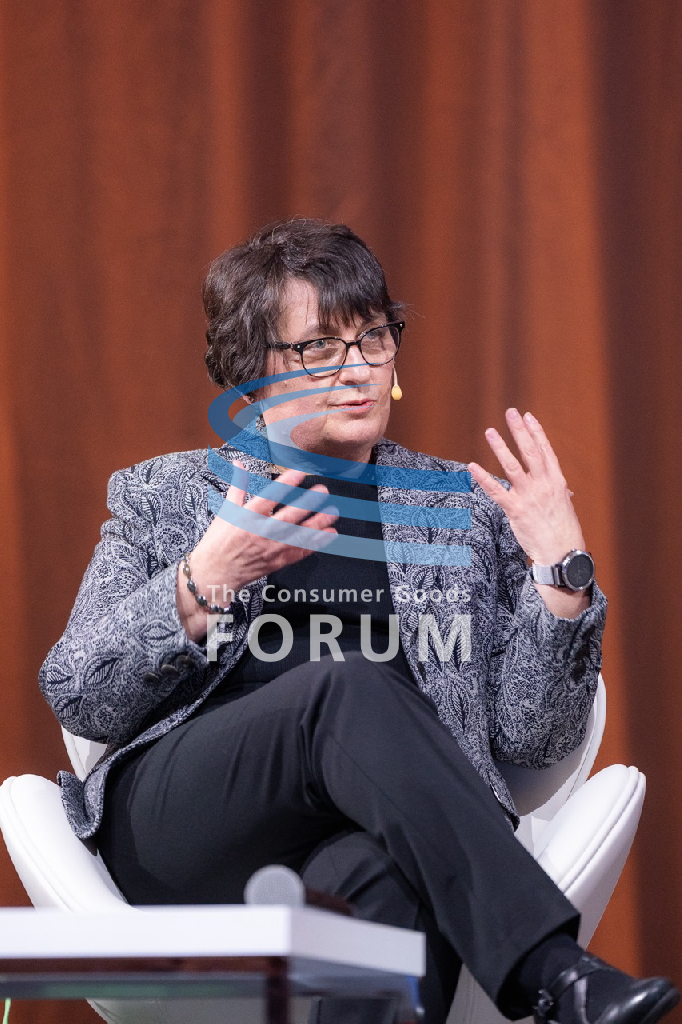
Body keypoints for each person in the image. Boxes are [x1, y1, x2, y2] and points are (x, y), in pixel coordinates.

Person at [39, 219, 678, 1024]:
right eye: (319, 348)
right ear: (252, 370)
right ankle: (554, 970)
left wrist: (560, 574)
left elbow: (533, 741)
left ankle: (545, 972)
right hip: (190, 831)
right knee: (344, 685)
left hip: (374, 833)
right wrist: (204, 580)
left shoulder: (455, 510)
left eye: (373, 337)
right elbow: (79, 692)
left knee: (384, 889)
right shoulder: (167, 496)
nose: (359, 369)